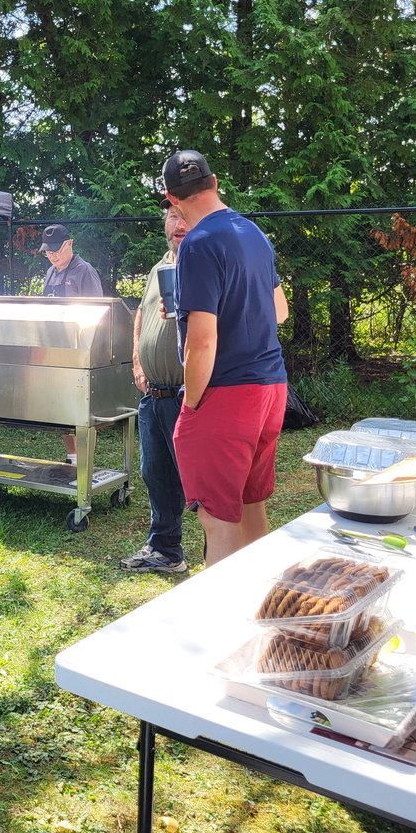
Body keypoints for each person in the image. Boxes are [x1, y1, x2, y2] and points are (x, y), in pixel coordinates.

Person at [161, 150, 289, 566]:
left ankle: (221, 627)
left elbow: (201, 345)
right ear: (214, 183)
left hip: (225, 394)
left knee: (218, 521)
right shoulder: (253, 232)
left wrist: (191, 405)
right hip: (271, 387)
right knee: (251, 505)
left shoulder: (197, 244)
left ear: (171, 198)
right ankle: (264, 612)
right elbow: (280, 310)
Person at [121, 203, 189, 573]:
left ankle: (223, 556)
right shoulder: (159, 266)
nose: (178, 224)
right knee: (156, 474)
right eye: (172, 217)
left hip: (187, 395)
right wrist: (136, 359)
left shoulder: (203, 263)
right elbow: (142, 314)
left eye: (185, 217)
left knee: (198, 481)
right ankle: (166, 550)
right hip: (153, 394)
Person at [40, 223, 103, 464]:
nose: (52, 256)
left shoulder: (84, 272)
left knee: (83, 411)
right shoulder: (50, 272)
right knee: (62, 407)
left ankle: (86, 460)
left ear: (70, 244)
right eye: (48, 252)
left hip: (82, 351)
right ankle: (72, 458)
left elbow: (99, 314)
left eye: (56, 251)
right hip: (57, 351)